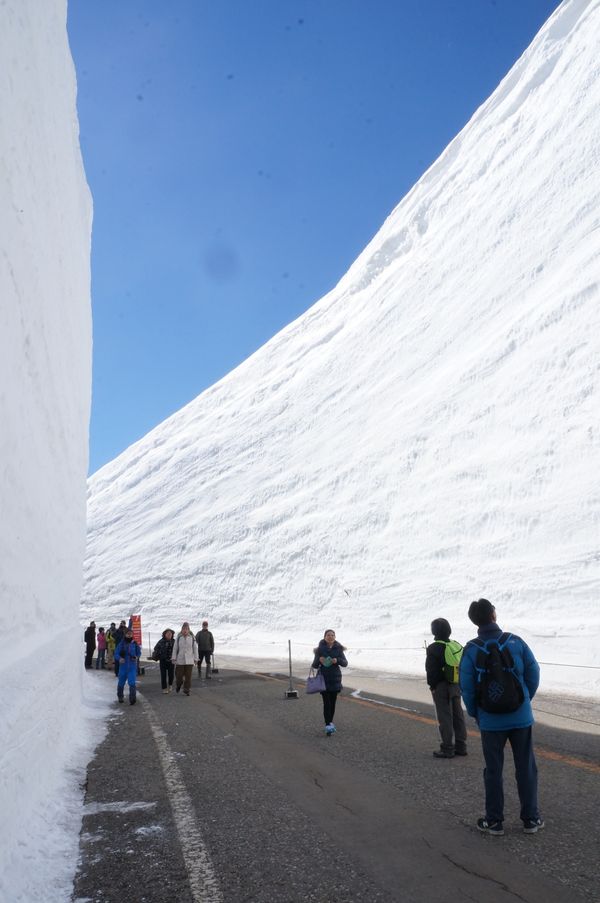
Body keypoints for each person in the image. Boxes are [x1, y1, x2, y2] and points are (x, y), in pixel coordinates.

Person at [459, 598, 543, 836]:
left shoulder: (472, 649)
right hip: (521, 717)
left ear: (475, 621)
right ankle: (531, 819)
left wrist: (478, 713)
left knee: (493, 770)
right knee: (526, 767)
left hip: (490, 720)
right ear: (494, 615)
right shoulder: (516, 641)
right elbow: (533, 673)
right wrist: (523, 700)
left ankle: (494, 821)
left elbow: (466, 687)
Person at [426, 618, 467, 758]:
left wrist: (432, 686)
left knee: (445, 716)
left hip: (441, 686)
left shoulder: (433, 648)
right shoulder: (456, 645)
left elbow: (431, 670)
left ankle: (447, 748)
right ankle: (461, 746)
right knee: (458, 714)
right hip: (456, 683)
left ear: (434, 631)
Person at [311, 629, 348, 735]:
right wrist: (320, 660)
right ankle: (328, 725)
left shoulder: (339, 649)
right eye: (328, 635)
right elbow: (314, 665)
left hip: (335, 679)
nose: (330, 636)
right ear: (324, 637)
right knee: (326, 703)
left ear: (335, 637)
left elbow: (345, 663)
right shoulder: (319, 649)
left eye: (332, 635)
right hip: (323, 679)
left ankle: (330, 722)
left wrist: (337, 660)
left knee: (332, 703)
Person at [114, 626, 141, 705]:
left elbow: (139, 653)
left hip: (132, 667)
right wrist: (119, 659)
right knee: (121, 683)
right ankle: (120, 696)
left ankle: (132, 699)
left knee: (132, 683)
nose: (129, 635)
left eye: (130, 634)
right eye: (128, 634)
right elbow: (116, 653)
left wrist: (136, 656)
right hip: (123, 667)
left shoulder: (135, 644)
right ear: (125, 635)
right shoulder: (121, 644)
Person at [173, 622, 197, 696]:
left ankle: (187, 689)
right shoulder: (179, 637)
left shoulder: (192, 637)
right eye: (184, 629)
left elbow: (195, 648)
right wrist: (174, 658)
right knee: (179, 676)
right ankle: (179, 684)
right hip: (180, 660)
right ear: (181, 630)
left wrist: (196, 659)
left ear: (189, 630)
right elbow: (175, 648)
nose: (185, 630)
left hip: (189, 660)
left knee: (188, 677)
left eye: (186, 629)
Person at [153, 628, 175, 694]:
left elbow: (177, 650)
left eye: (170, 634)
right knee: (163, 675)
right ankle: (164, 688)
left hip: (171, 661)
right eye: (167, 633)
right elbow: (155, 648)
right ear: (164, 634)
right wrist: (159, 653)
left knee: (171, 675)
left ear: (172, 635)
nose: (169, 635)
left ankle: (170, 685)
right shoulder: (161, 641)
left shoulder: (174, 641)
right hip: (163, 660)